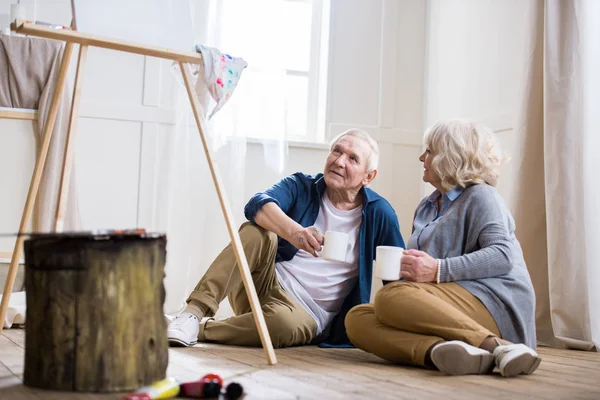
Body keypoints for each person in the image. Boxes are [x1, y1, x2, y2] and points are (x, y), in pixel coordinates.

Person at [167, 128, 405, 348]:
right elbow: (257, 204)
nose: (339, 161)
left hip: (305, 312)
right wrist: (295, 233)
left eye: (353, 158)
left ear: (368, 176)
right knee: (256, 231)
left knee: (281, 326)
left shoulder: (379, 213)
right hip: (260, 284)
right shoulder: (302, 185)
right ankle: (192, 312)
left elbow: (396, 275)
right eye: (337, 151)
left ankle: (196, 329)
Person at [345, 119, 541, 377]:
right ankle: (447, 352)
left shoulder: (481, 196)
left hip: (494, 301)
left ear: (452, 158)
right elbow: (425, 278)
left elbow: (502, 256)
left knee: (390, 297)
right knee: (358, 318)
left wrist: (437, 269)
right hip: (449, 303)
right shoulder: (426, 206)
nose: (421, 157)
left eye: (429, 152)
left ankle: (498, 346)